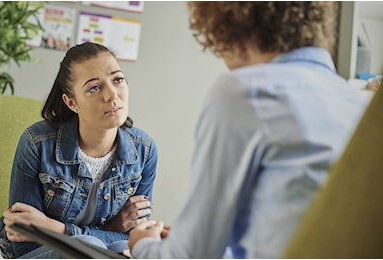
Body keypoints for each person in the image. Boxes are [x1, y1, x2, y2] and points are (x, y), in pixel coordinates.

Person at [128, 2, 368, 258]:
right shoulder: (357, 102)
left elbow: (192, 256)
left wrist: (142, 244)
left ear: (228, 26)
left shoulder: (247, 91)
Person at [0, 42, 158, 258]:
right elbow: (21, 239)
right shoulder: (37, 143)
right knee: (87, 246)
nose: (112, 95)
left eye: (117, 79)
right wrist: (110, 230)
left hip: (100, 254)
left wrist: (57, 229)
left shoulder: (144, 151)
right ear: (71, 102)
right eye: (94, 87)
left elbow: (135, 239)